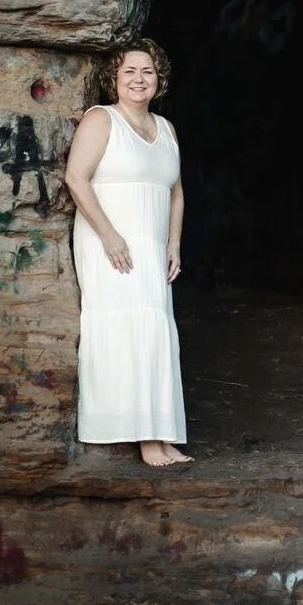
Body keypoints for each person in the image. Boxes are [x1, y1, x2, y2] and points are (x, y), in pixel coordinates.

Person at [64, 37, 192, 466]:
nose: (139, 79)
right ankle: (141, 437)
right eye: (129, 72)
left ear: (159, 80)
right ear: (114, 79)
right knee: (126, 329)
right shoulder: (102, 120)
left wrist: (173, 243)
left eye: (147, 72)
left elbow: (175, 194)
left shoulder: (167, 129)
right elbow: (77, 179)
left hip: (152, 244)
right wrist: (109, 235)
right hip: (109, 242)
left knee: (155, 331)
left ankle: (159, 434)